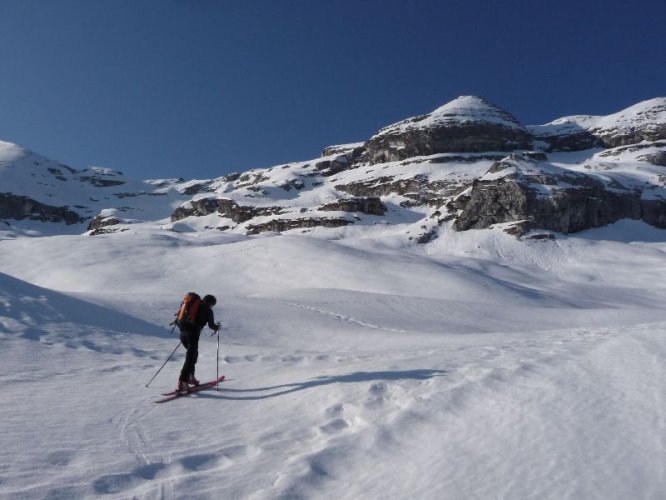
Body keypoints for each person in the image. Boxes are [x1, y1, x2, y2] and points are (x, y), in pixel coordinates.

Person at [177, 294, 219, 391]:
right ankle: (183, 381)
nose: (212, 307)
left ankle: (190, 376)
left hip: (183, 334)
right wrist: (218, 327)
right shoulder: (208, 311)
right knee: (190, 358)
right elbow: (212, 325)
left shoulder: (192, 306)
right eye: (213, 305)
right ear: (210, 303)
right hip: (192, 335)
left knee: (193, 355)